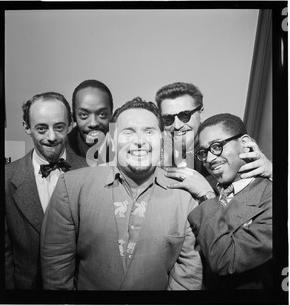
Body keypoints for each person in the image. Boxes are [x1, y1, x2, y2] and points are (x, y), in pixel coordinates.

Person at [41, 97, 203, 290]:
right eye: (128, 132)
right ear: (112, 139)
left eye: (149, 132)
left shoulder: (186, 197)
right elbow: (56, 265)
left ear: (162, 138)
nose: (140, 142)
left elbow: (188, 276)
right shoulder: (71, 186)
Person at [5, 92, 87, 290]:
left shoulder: (91, 172)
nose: (51, 137)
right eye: (41, 128)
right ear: (27, 127)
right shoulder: (4, 178)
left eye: (59, 127)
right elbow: (2, 252)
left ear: (71, 125)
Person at [187, 113, 272, 289]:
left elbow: (227, 261)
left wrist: (207, 197)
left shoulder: (271, 196)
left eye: (217, 146)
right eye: (203, 152)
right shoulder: (197, 185)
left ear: (245, 143)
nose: (209, 159)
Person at [155, 81, 273, 198]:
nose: (176, 125)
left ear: (201, 112)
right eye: (168, 119)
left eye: (184, 116)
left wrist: (272, 171)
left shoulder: (228, 143)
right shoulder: (153, 150)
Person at [67, 79, 115, 165]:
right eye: (84, 115)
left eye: (102, 114)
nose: (93, 123)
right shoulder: (63, 152)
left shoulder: (125, 144)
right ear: (74, 117)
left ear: (111, 114)